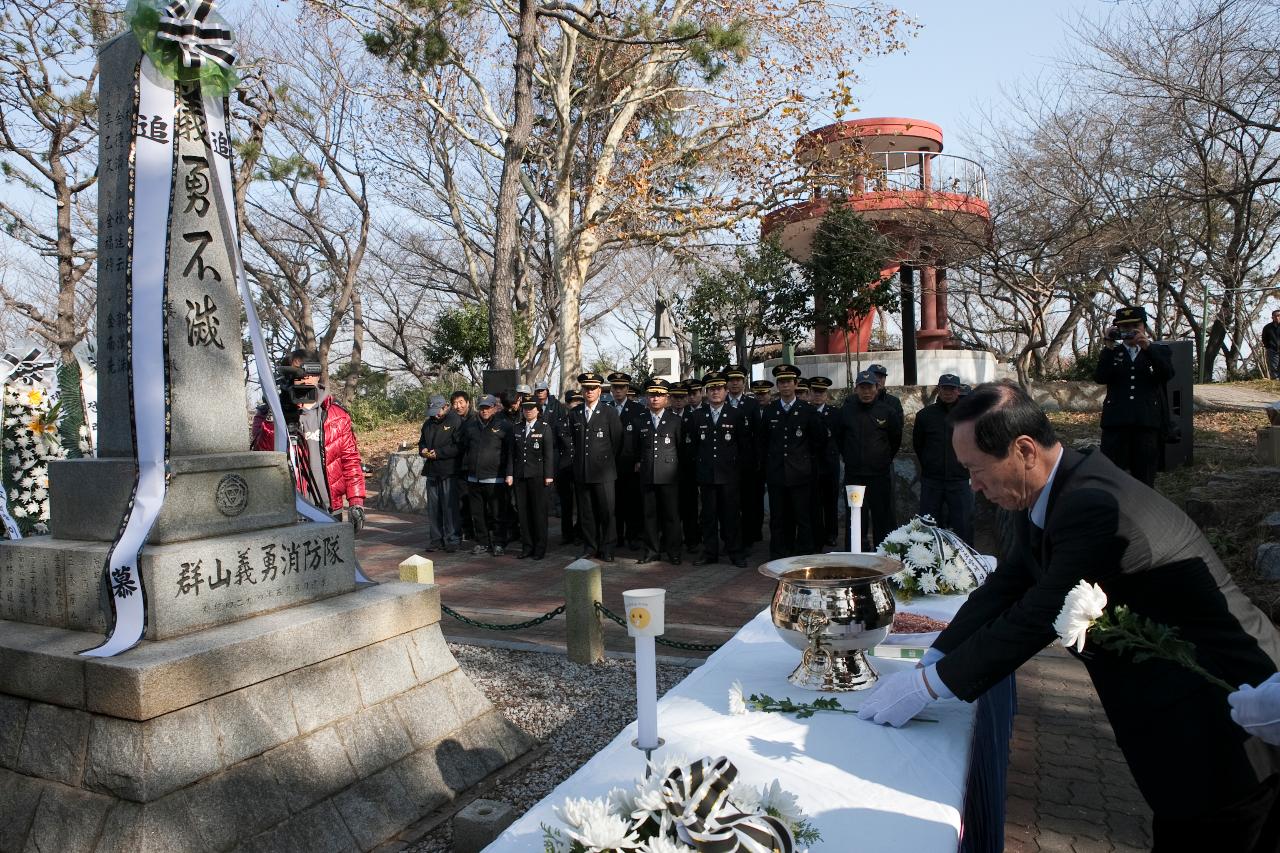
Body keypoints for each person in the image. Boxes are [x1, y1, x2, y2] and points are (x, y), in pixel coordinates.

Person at [856, 381, 1280, 850]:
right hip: (1175, 716)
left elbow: (1038, 614)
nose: (973, 486)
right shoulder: (1047, 490)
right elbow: (1009, 584)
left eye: (977, 470)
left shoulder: (1092, 504)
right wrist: (934, 658)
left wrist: (929, 687)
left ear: (1023, 450)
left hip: (1226, 715)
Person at [252, 349, 366, 533]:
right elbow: (261, 455)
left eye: (310, 372)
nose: (305, 378)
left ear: (318, 375)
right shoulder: (268, 414)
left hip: (328, 509)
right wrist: (276, 411)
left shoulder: (336, 415)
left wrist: (356, 501)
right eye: (297, 372)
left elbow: (350, 461)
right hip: (287, 510)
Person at [1092, 306, 1173, 488]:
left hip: (1146, 422)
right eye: (1124, 327)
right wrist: (1108, 346)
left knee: (1144, 476)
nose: (1129, 331)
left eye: (1134, 326)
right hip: (1116, 422)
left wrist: (1148, 348)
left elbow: (1167, 374)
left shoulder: (1158, 352)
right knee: (1112, 475)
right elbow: (1100, 377)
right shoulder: (1113, 353)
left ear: (1144, 327)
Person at [757, 364, 826, 559]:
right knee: (778, 516)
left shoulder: (807, 410)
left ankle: (804, 551)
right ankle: (780, 551)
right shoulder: (770, 411)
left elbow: (818, 440)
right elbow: (762, 441)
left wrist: (806, 461)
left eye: (789, 381)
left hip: (800, 472)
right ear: (777, 386)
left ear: (796, 384)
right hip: (777, 472)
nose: (785, 385)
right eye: (781, 382)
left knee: (802, 515)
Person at [832, 370, 900, 550]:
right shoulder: (845, 412)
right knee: (854, 517)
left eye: (870, 387)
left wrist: (882, 460)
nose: (866, 392)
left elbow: (895, 440)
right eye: (862, 388)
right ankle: (855, 556)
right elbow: (839, 439)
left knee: (882, 518)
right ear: (856, 389)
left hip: (879, 476)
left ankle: (883, 555)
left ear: (877, 388)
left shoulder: (888, 411)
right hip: (854, 477)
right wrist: (850, 457)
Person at [689, 372, 751, 567]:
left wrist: (739, 472)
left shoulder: (736, 414)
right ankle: (710, 553)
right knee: (708, 516)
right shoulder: (697, 416)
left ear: (725, 391)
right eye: (711, 389)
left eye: (719, 388)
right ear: (706, 393)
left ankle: (735, 552)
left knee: (731, 516)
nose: (715, 392)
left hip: (729, 475)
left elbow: (744, 446)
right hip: (707, 476)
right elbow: (692, 446)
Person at [912, 374, 974, 544]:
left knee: (963, 525)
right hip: (932, 480)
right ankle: (926, 563)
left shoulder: (968, 416)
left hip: (959, 478)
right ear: (938, 389)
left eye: (952, 388)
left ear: (958, 390)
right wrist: (930, 464)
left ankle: (967, 564)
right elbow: (918, 444)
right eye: (944, 388)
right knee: (928, 526)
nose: (948, 392)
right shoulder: (924, 415)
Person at [569, 372, 624, 561]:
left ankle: (608, 548)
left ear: (600, 390)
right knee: (586, 513)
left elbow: (616, 441)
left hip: (604, 472)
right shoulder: (575, 413)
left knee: (607, 512)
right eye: (586, 388)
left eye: (593, 388)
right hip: (582, 472)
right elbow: (573, 442)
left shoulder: (609, 412)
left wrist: (605, 462)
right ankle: (590, 547)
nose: (589, 391)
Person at [632, 379, 683, 564]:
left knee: (671, 516)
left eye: (660, 395)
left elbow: (681, 449)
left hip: (669, 475)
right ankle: (652, 550)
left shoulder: (675, 420)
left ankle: (674, 552)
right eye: (652, 395)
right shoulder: (640, 420)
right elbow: (636, 448)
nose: (655, 398)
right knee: (649, 516)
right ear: (647, 397)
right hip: (647, 474)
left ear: (667, 398)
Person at [459, 394, 512, 555]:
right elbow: (464, 449)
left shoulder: (504, 426)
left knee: (497, 514)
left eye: (488, 407)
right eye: (482, 407)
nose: (485, 410)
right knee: (478, 514)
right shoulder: (470, 427)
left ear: (494, 408)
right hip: (474, 478)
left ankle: (499, 543)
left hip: (495, 478)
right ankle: (482, 542)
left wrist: (508, 473)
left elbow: (510, 452)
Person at [508, 399, 555, 559]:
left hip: (538, 476)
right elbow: (511, 455)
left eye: (531, 408)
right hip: (520, 476)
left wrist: (549, 476)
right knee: (524, 513)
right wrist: (510, 474)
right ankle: (527, 547)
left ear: (537, 410)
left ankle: (539, 548)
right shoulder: (517, 428)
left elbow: (548, 454)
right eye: (525, 408)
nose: (528, 411)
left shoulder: (544, 428)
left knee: (538, 513)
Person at [417, 395, 462, 552]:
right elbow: (422, 441)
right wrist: (422, 450)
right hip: (432, 470)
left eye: (438, 410)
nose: (435, 414)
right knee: (434, 508)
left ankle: (453, 539)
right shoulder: (428, 423)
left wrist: (440, 453)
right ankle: (436, 539)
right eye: (432, 411)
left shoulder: (455, 421)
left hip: (449, 470)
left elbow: (458, 447)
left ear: (445, 407)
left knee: (450, 507)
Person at [607, 371, 646, 550]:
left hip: (631, 465)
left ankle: (633, 536)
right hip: (609, 465)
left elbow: (641, 439)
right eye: (615, 387)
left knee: (632, 502)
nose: (618, 391)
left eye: (621, 387)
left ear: (627, 388)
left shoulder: (638, 410)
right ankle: (618, 537)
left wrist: (639, 459)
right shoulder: (605, 409)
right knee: (614, 504)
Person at [808, 376, 841, 548]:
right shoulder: (805, 412)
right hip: (811, 465)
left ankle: (831, 533)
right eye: (815, 392)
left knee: (830, 502)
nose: (818, 395)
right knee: (813, 502)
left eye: (821, 392)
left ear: (826, 394)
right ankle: (816, 534)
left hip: (829, 464)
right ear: (810, 393)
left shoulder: (835, 413)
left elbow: (840, 438)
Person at [553, 390, 581, 546]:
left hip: (581, 466)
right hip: (564, 467)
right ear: (567, 404)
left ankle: (580, 532)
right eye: (573, 401)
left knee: (583, 503)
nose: (576, 404)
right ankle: (567, 533)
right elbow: (555, 447)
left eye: (579, 401)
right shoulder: (559, 422)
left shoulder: (584, 420)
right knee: (566, 503)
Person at [450, 390, 477, 541]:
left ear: (468, 402)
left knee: (476, 501)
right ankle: (467, 530)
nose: (458, 406)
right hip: (459, 467)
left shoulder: (475, 419)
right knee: (462, 502)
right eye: (455, 403)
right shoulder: (452, 420)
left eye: (461, 402)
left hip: (474, 467)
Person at [1262, 309, 1280, 380]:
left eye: (1279, 316)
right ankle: (1276, 382)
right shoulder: (1267, 327)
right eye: (1275, 316)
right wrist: (1268, 347)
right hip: (1272, 350)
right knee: (1274, 367)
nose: (1277, 317)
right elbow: (1264, 338)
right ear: (1272, 317)